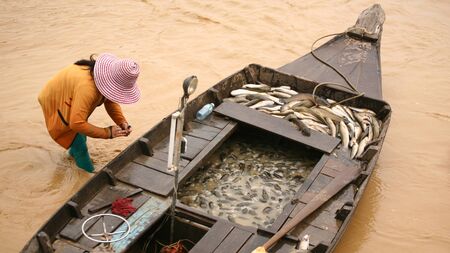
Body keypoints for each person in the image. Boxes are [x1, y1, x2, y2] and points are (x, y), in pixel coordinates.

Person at [38, 53, 141, 173]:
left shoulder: (103, 78)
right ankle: (85, 174)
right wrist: (107, 132)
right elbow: (76, 123)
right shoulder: (87, 89)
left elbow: (110, 101)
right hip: (56, 100)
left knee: (80, 134)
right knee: (79, 142)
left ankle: (72, 155)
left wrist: (121, 121)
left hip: (71, 94)